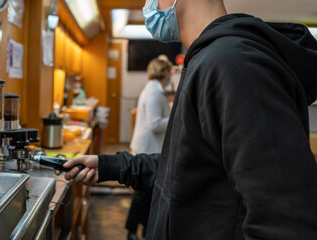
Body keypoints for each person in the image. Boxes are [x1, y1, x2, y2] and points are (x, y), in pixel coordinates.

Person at [57, 0, 317, 239]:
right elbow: (186, 167)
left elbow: (284, 219)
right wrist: (111, 166)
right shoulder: (207, 59)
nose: (148, 4)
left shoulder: (233, 64)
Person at [127, 57, 172, 240]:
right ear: (164, 72)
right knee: (142, 194)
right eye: (169, 72)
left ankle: (143, 230)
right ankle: (131, 231)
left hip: (147, 147)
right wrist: (176, 117)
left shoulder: (155, 89)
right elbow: (154, 124)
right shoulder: (154, 92)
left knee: (147, 194)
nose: (171, 75)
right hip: (147, 149)